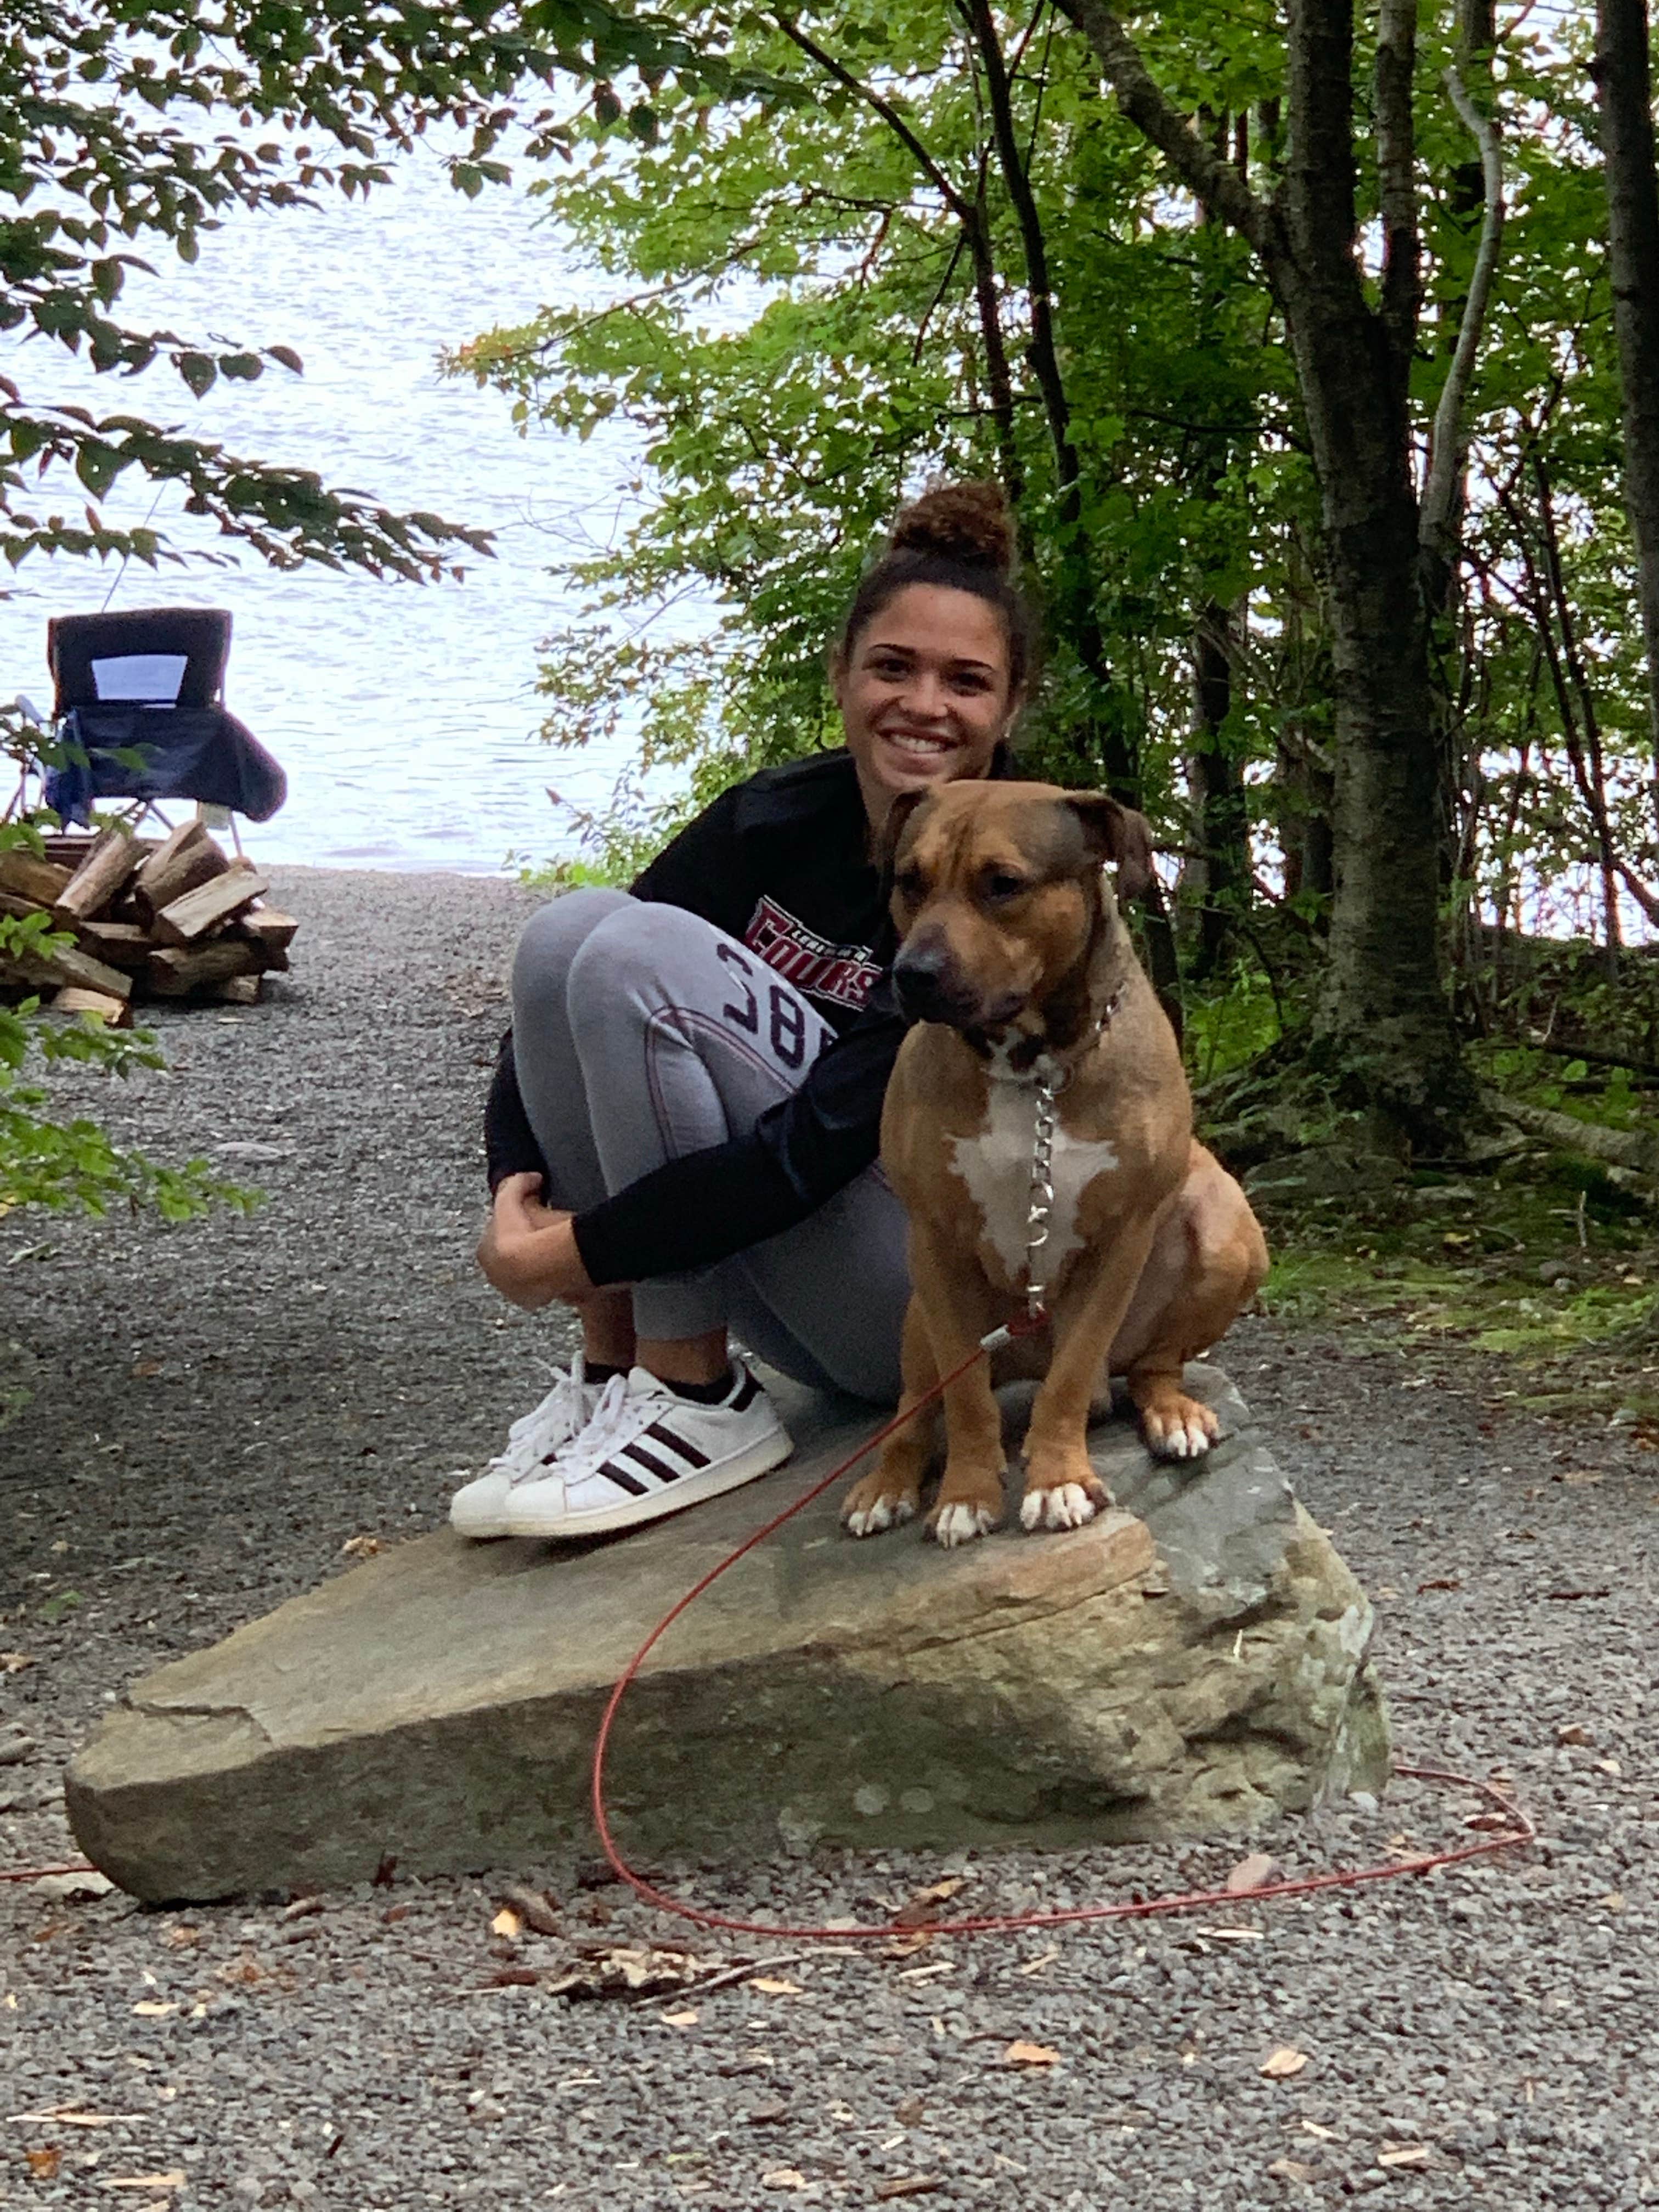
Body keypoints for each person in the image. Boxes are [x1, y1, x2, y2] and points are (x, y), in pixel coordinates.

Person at [449, 482, 1037, 1541]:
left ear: (1011, 709)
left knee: (637, 950)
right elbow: (552, 1011)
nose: (924, 705)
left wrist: (578, 1248)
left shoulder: (1007, 882)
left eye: (967, 682)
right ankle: (617, 1367)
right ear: (844, 677)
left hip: (929, 1307)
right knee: (566, 936)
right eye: (893, 668)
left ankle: (698, 1392)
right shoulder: (773, 823)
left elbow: (812, 1152)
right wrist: (515, 1195)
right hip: (795, 1284)